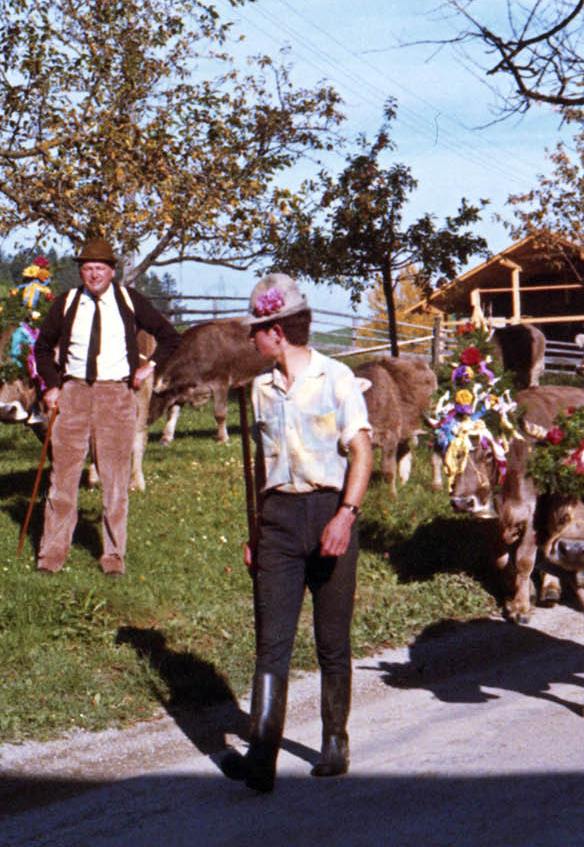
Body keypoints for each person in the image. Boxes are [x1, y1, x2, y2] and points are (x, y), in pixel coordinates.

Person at [223, 273, 372, 793]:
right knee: (272, 643)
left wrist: (345, 516)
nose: (252, 339)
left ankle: (335, 742)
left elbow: (363, 453)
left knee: (332, 639)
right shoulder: (260, 390)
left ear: (278, 331)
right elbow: (260, 467)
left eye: (257, 330)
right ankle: (261, 755)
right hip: (279, 522)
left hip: (330, 513)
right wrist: (257, 531)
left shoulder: (336, 378)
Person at [31, 236, 181, 576]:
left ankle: (113, 557)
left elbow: (170, 336)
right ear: (80, 272)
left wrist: (149, 367)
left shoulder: (129, 301)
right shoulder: (68, 303)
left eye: (100, 268)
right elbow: (41, 349)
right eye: (87, 268)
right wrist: (53, 385)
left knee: (115, 482)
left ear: (112, 271)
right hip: (74, 394)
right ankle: (51, 556)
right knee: (63, 478)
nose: (93, 275)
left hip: (116, 396)